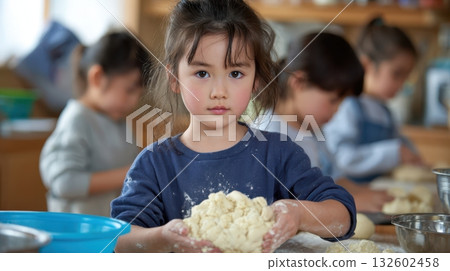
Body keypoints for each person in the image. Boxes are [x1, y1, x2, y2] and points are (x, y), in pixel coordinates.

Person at [111, 0, 356, 253]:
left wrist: (299, 214)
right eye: (202, 73)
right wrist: (163, 237)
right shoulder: (155, 164)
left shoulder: (279, 153)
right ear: (174, 79)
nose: (219, 92)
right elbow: (119, 239)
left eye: (236, 73)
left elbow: (342, 215)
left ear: (256, 79)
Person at [255, 32, 391, 212]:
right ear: (299, 82)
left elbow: (333, 179)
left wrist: (370, 193)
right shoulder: (269, 137)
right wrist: (351, 202)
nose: (338, 110)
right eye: (334, 100)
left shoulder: (311, 128)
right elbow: (282, 207)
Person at [40, 32, 148, 217]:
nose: (134, 101)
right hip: (78, 237)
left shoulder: (119, 121)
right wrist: (131, 173)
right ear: (97, 77)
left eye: (139, 94)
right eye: (129, 90)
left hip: (108, 231)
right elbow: (63, 182)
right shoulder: (77, 120)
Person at [324, 17, 423, 185]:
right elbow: (342, 158)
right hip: (351, 194)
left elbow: (399, 140)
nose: (401, 84)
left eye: (406, 77)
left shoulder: (385, 110)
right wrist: (394, 153)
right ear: (366, 66)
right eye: (397, 74)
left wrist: (412, 154)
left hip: (378, 191)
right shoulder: (348, 106)